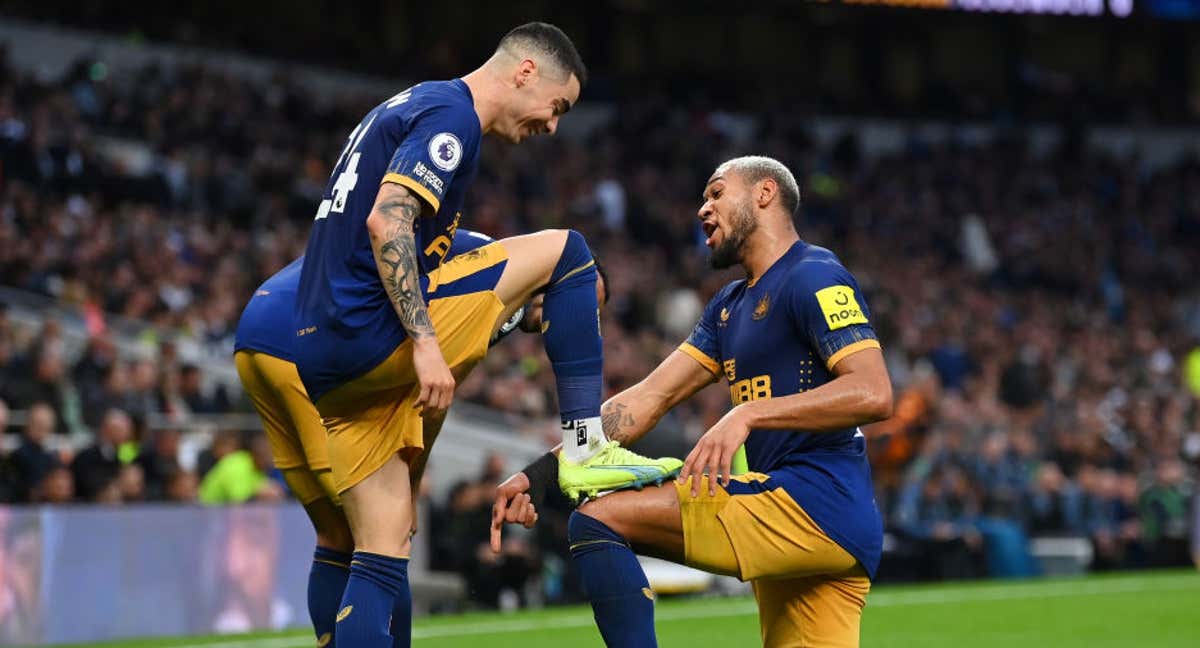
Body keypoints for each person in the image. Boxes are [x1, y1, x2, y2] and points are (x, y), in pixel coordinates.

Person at [493, 156, 894, 647]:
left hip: (814, 501)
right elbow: (648, 398)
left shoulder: (814, 275)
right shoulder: (729, 306)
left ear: (765, 194)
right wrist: (539, 475)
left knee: (600, 518)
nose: (703, 208)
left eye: (717, 193)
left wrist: (746, 414)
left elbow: (874, 392)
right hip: (817, 525)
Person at [235, 225, 614, 646]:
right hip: (306, 341)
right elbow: (434, 397)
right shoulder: (503, 283)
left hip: (258, 332)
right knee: (383, 540)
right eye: (582, 304)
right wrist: (410, 485)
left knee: (336, 536)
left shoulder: (491, 263)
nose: (578, 321)